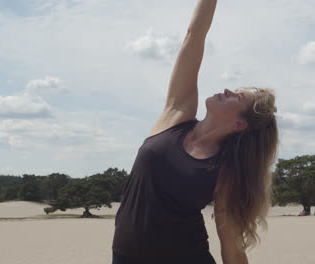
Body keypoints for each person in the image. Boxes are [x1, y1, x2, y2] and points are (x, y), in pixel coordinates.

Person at [111, 1, 279, 263]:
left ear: (240, 125)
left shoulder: (225, 170)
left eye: (238, 96)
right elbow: (194, 35)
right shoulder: (176, 115)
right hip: (125, 256)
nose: (227, 90)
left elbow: (231, 246)